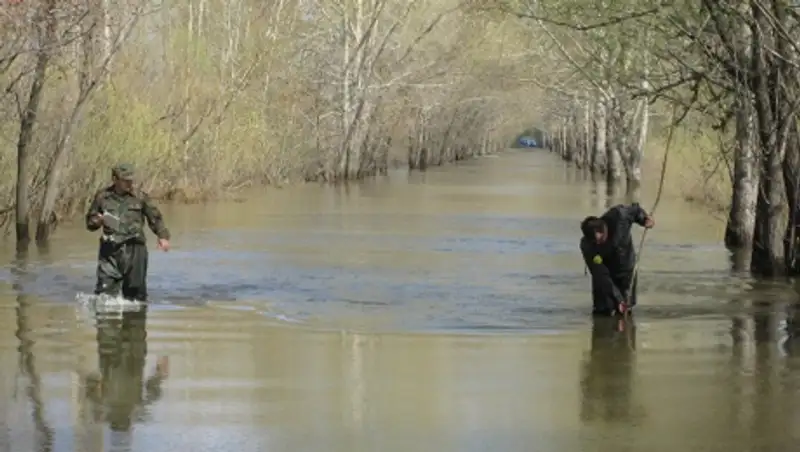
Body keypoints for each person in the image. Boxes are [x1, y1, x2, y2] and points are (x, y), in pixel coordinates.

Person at [85, 163, 171, 302]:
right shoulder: (102, 197)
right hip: (110, 251)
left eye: (131, 179)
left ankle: (134, 321)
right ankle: (106, 321)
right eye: (125, 180)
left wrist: (163, 237)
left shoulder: (140, 197)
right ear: (115, 179)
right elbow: (90, 222)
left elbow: (155, 218)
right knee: (104, 296)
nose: (129, 183)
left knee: (135, 297)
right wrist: (98, 221)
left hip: (135, 250)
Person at [580, 203, 654, 316]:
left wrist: (644, 219)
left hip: (626, 269)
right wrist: (617, 298)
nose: (598, 245)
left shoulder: (619, 216)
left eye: (600, 240)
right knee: (602, 311)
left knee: (625, 311)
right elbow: (601, 275)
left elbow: (635, 210)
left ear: (604, 229)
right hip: (605, 277)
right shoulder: (587, 246)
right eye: (595, 243)